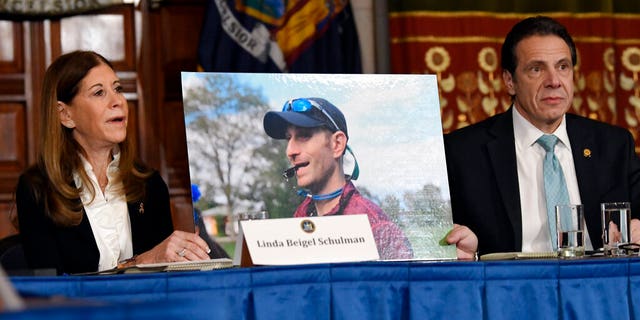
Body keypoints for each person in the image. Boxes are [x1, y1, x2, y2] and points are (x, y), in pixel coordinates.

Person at [444, 16, 640, 258]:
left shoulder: (613, 145)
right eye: (536, 69)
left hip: (598, 289)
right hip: (510, 289)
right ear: (509, 81)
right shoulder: (462, 152)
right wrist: (471, 252)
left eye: (562, 67)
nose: (554, 81)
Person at [15, 50, 211, 275]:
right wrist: (136, 264)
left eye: (118, 89)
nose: (117, 101)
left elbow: (162, 278)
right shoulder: (37, 189)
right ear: (65, 115)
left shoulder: (150, 184)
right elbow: (51, 289)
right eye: (99, 93)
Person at [263, 97, 413, 259]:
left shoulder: (377, 229)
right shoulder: (300, 217)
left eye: (304, 136)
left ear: (337, 144)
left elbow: (407, 283)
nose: (290, 151)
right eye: (288, 139)